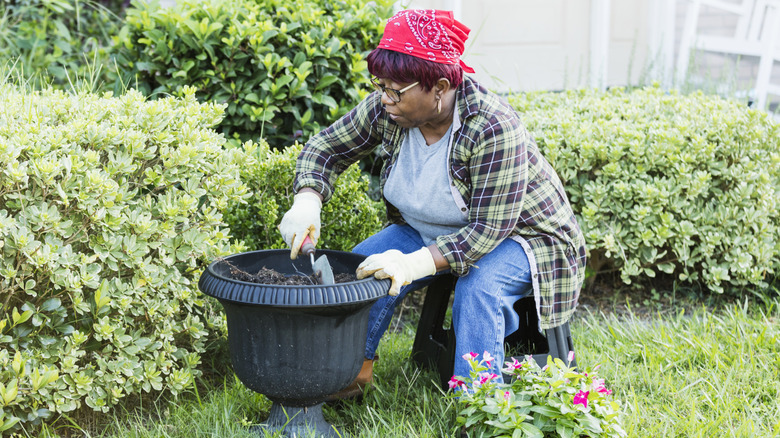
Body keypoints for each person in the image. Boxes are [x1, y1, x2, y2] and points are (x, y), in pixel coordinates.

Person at [279, 8, 587, 399]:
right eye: (380, 85)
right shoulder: (387, 111)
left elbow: (487, 231)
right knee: (358, 268)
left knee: (480, 287)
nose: (384, 98)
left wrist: (410, 263)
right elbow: (326, 148)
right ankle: (351, 375)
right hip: (434, 230)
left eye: (395, 90)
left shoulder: (492, 128)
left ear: (439, 87)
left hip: (526, 238)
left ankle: (480, 402)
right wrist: (308, 199)